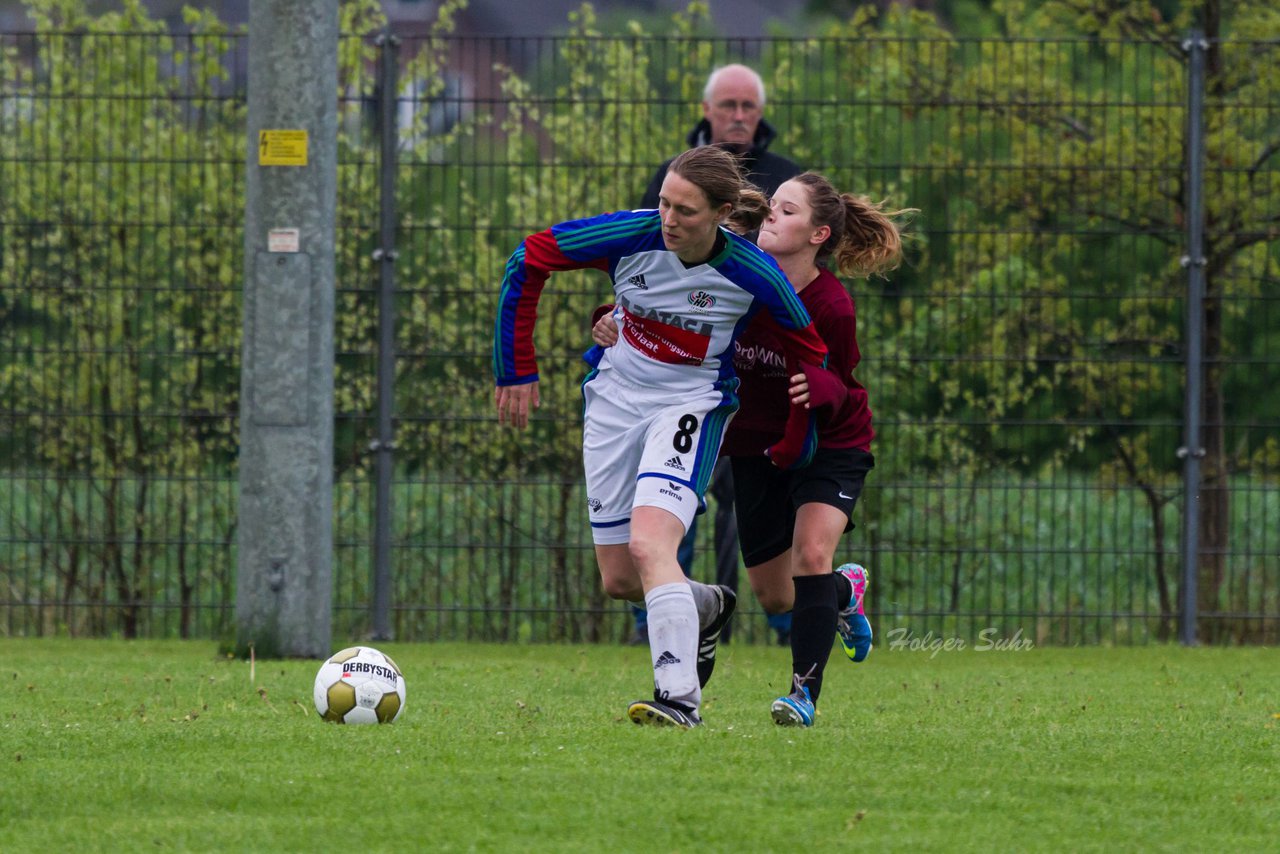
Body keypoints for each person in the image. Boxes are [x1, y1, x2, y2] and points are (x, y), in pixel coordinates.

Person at [493, 146, 829, 729]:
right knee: (622, 578)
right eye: (664, 203)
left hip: (690, 407)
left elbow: (811, 351)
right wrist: (516, 366)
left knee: (652, 547)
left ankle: (678, 698)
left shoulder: (753, 273)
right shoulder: (632, 235)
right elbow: (528, 258)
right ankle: (703, 603)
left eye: (686, 211)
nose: (668, 220)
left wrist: (800, 437)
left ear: (723, 213)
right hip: (614, 402)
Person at [593, 172, 912, 726]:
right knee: (776, 595)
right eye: (772, 207)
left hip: (829, 443)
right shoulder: (737, 282)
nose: (770, 215)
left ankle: (802, 696)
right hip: (756, 449)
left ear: (817, 235)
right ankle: (842, 590)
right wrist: (607, 322)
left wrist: (821, 388)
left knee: (812, 554)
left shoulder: (831, 305)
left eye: (787, 211)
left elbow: (843, 381)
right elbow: (658, 311)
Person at [631, 63, 804, 648]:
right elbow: (639, 264)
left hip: (755, 375)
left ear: (760, 114)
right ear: (706, 110)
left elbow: (802, 282)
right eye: (727, 104)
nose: (737, 115)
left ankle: (788, 623)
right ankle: (659, 618)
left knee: (758, 500)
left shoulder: (785, 180)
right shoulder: (672, 177)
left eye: (747, 106)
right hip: (682, 372)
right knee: (669, 497)